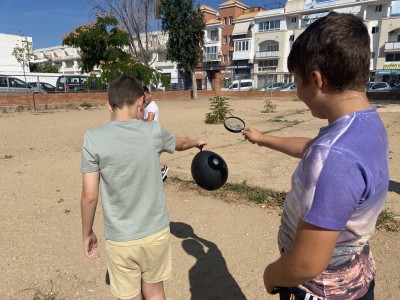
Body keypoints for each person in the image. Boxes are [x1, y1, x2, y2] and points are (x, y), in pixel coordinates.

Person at [242, 12, 389, 300]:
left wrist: (271, 275)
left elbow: (307, 263)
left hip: (317, 289)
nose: (297, 92)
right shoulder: (363, 126)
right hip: (354, 280)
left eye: (297, 83)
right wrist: (262, 139)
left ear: (316, 80)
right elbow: (312, 147)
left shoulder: (334, 155)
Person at [80, 75, 206, 300]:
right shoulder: (154, 132)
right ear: (141, 102)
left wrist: (87, 232)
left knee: (129, 295)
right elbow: (181, 143)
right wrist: (196, 142)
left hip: (120, 237)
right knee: (155, 291)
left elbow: (90, 195)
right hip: (155, 232)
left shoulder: (93, 138)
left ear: (109, 105)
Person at [142, 85, 169, 181]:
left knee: (150, 156)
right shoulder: (146, 106)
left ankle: (162, 169)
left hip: (153, 134)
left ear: (150, 95)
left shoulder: (152, 106)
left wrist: (139, 121)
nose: (144, 99)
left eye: (145, 96)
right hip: (149, 134)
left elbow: (149, 120)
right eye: (142, 97)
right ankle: (157, 172)